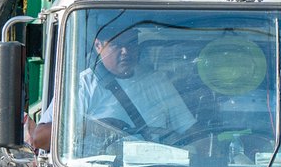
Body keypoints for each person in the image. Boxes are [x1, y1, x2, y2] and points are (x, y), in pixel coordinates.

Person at [25, 27, 195, 151]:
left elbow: (190, 131)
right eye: (117, 45)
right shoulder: (82, 85)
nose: (125, 51)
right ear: (98, 46)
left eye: (131, 43)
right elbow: (40, 140)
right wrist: (92, 127)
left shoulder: (157, 82)